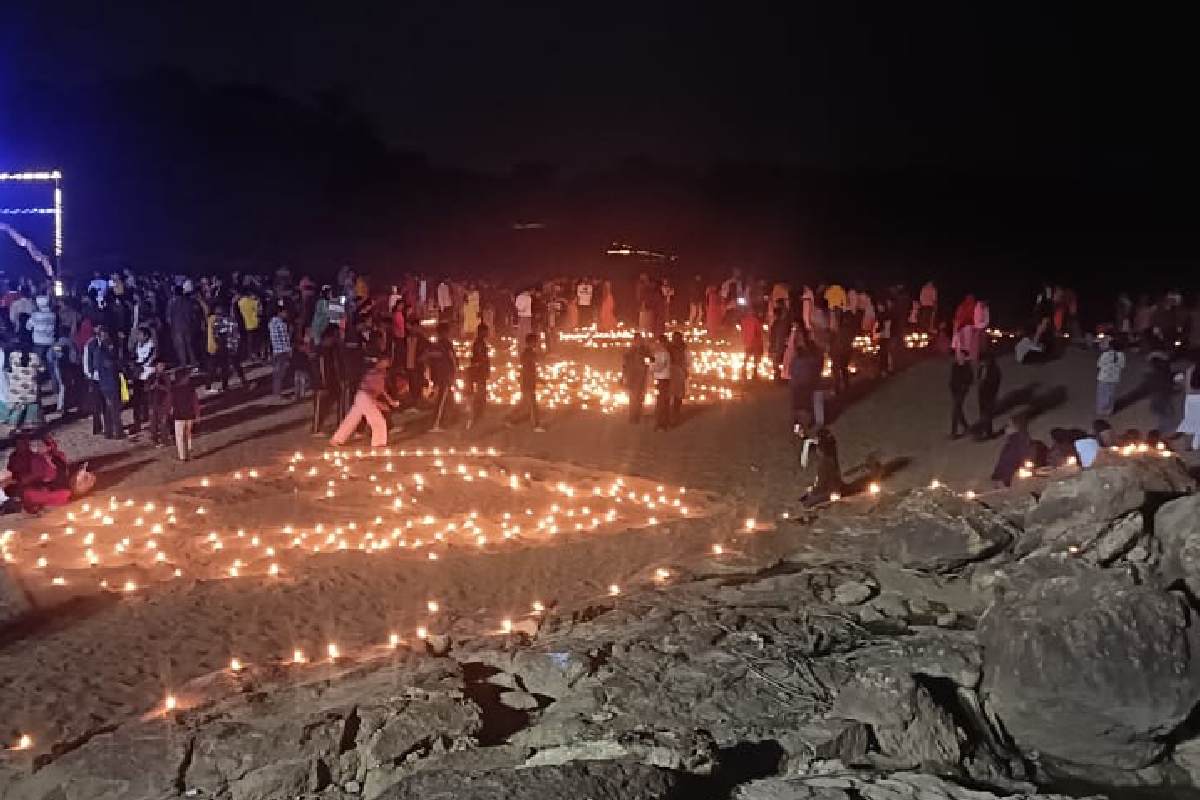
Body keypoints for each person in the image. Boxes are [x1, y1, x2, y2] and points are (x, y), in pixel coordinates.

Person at [330, 357, 399, 447]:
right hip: (364, 397)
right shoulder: (372, 373)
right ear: (380, 362)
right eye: (385, 361)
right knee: (378, 421)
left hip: (363, 398)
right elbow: (367, 390)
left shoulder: (381, 373)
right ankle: (378, 443)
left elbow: (381, 390)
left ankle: (337, 439)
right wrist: (378, 403)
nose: (388, 363)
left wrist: (391, 401)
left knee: (352, 419)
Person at [423, 321, 457, 432]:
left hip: (437, 376)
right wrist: (454, 374)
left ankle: (446, 420)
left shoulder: (434, 345)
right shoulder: (446, 344)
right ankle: (436, 424)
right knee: (441, 400)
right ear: (445, 332)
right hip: (444, 376)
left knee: (446, 399)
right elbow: (453, 360)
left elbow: (427, 359)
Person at [312, 325, 346, 436]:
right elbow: (319, 369)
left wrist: (341, 378)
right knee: (321, 406)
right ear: (328, 337)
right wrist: (321, 384)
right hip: (323, 383)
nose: (336, 339)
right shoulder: (320, 351)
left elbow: (337, 365)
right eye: (335, 336)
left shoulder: (333, 349)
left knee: (338, 400)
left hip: (334, 380)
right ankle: (316, 428)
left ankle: (342, 424)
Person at [507, 333, 544, 431]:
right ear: (531, 342)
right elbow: (528, 369)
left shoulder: (527, 353)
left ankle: (509, 418)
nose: (537, 343)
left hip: (527, 381)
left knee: (523, 403)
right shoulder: (529, 354)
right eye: (535, 341)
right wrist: (536, 379)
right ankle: (536, 425)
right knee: (533, 404)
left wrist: (538, 379)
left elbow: (529, 368)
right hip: (528, 382)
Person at [93, 330, 126, 439]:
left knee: (108, 408)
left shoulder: (99, 351)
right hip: (110, 383)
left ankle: (109, 432)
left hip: (104, 383)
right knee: (114, 408)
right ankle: (118, 432)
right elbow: (112, 365)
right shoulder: (103, 351)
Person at [3, 345, 44, 430]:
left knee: (18, 406)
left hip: (16, 391)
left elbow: (9, 367)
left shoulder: (13, 355)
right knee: (33, 400)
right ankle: (33, 422)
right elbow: (42, 369)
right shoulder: (35, 356)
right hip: (30, 392)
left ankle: (14, 425)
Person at [991, 417, 1032, 486]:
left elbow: (1019, 454)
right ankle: (1003, 476)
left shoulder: (1018, 440)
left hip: (1016, 469)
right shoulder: (1013, 442)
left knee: (1009, 458)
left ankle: (1004, 477)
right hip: (1013, 467)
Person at [169, 368, 200, 460]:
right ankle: (190, 454)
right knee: (189, 436)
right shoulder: (190, 389)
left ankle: (183, 456)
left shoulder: (173, 390)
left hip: (178, 416)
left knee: (180, 437)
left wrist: (169, 414)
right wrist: (197, 414)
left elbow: (170, 403)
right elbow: (195, 402)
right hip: (189, 415)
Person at [130, 327, 156, 434]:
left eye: (140, 335)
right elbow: (136, 357)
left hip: (148, 376)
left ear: (146, 336)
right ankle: (138, 422)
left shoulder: (152, 346)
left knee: (149, 400)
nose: (138, 337)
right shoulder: (138, 345)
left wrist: (138, 365)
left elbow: (149, 359)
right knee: (136, 400)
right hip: (139, 376)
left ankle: (151, 422)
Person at [466, 323, 490, 429]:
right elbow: (480, 357)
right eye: (486, 331)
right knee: (480, 392)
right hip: (479, 371)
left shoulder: (480, 343)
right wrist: (483, 366)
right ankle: (478, 413)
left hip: (480, 370)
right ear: (481, 332)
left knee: (481, 392)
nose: (487, 333)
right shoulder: (479, 343)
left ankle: (479, 412)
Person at [623, 332, 650, 423]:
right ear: (635, 340)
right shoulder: (630, 351)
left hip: (642, 376)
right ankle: (633, 416)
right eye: (638, 340)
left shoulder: (644, 350)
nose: (640, 341)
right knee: (634, 396)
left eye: (640, 340)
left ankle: (637, 413)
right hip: (633, 376)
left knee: (640, 396)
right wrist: (624, 376)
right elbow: (625, 365)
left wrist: (647, 363)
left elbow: (649, 361)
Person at [1095, 338, 1126, 417]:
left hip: (1103, 377)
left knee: (1102, 394)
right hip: (1114, 378)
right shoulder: (1121, 355)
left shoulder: (1105, 354)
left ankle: (1101, 410)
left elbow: (1099, 364)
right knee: (1111, 394)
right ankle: (1109, 410)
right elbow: (1122, 366)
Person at [146, 358, 173, 448]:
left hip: (163, 403)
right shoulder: (151, 377)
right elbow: (146, 389)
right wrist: (152, 386)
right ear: (156, 366)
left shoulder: (166, 377)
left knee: (163, 422)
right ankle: (154, 439)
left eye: (163, 366)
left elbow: (169, 389)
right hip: (153, 403)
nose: (162, 367)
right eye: (160, 365)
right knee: (153, 423)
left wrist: (160, 386)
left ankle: (164, 439)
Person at [976, 349, 1002, 440]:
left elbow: (996, 382)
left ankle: (988, 433)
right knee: (982, 413)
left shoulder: (994, 369)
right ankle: (984, 431)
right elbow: (978, 378)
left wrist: (992, 392)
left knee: (987, 414)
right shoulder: (982, 368)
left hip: (990, 394)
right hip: (982, 394)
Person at [268, 307, 293, 400]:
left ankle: (276, 392)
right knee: (280, 373)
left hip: (276, 350)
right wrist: (289, 350)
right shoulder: (281, 324)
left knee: (276, 373)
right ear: (280, 312)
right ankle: (278, 393)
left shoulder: (271, 323)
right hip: (283, 351)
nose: (286, 314)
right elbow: (284, 339)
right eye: (285, 312)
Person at [949, 349, 974, 439]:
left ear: (964, 356)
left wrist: (965, 386)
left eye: (960, 355)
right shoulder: (955, 366)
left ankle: (954, 432)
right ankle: (966, 427)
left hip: (962, 391)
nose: (959, 357)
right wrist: (952, 386)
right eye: (958, 355)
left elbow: (970, 379)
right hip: (955, 390)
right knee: (958, 410)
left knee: (956, 410)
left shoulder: (967, 366)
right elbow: (952, 378)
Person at [1177, 361, 1200, 451]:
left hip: (1191, 398)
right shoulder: (1191, 369)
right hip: (1194, 397)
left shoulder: (1191, 369)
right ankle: (1194, 444)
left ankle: (1191, 444)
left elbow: (1187, 386)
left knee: (1191, 421)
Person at [651, 335, 672, 431]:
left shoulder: (664, 354)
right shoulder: (657, 353)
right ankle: (661, 422)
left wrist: (652, 365)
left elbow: (660, 367)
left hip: (663, 380)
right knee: (660, 401)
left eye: (658, 342)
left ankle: (662, 423)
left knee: (662, 402)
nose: (656, 344)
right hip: (659, 379)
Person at [237, 289, 264, 361]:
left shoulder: (240, 302)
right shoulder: (253, 302)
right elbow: (260, 311)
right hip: (256, 323)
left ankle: (251, 356)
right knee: (258, 341)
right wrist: (257, 300)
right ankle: (257, 355)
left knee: (250, 342)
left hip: (247, 324)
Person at [668, 330, 688, 426]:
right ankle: (672, 414)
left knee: (678, 395)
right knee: (672, 394)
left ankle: (675, 414)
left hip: (679, 372)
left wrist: (685, 369)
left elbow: (686, 360)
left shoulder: (684, 348)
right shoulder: (670, 348)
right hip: (673, 372)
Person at [740, 307, 764, 381]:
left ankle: (743, 371)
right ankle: (754, 373)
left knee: (747, 357)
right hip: (755, 342)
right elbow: (758, 331)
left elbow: (743, 331)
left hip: (747, 342)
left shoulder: (743, 320)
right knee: (755, 358)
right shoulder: (755, 320)